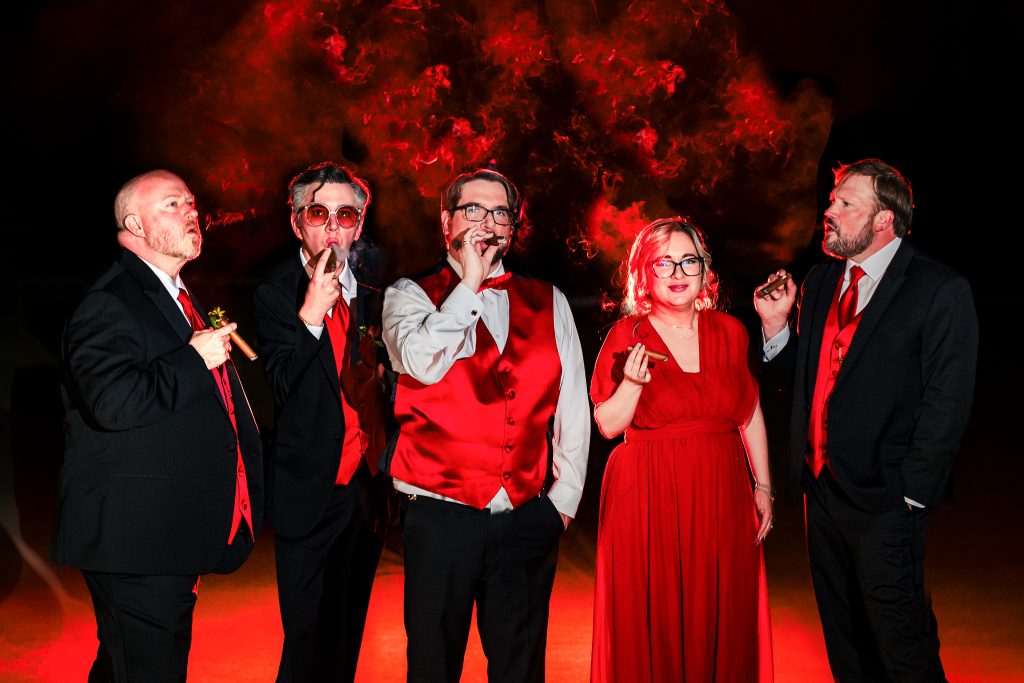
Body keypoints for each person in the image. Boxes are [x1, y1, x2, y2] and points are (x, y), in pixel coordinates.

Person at [754, 159, 978, 682]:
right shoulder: (821, 278)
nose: (828, 212)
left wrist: (912, 495)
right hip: (822, 493)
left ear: (883, 221)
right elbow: (804, 380)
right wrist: (776, 327)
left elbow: (948, 401)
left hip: (887, 499)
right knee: (845, 637)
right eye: (832, 200)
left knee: (902, 642)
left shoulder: (938, 289)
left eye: (844, 204)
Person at [52, 169, 263, 682]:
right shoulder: (111, 300)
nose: (192, 211)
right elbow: (113, 403)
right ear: (134, 224)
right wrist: (193, 359)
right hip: (135, 540)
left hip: (162, 536)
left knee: (130, 666)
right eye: (172, 204)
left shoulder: (174, 296)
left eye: (191, 202)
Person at [381, 168, 590, 683]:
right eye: (473, 209)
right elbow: (421, 362)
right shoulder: (408, 295)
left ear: (513, 226)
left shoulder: (551, 300)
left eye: (500, 212)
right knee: (433, 664)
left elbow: (572, 408)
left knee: (519, 668)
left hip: (524, 517)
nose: (486, 221)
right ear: (446, 221)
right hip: (440, 516)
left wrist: (562, 503)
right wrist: (469, 283)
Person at [589, 217, 775, 682]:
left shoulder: (731, 332)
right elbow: (608, 425)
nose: (677, 272)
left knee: (722, 611)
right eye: (663, 262)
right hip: (647, 493)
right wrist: (631, 384)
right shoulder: (625, 336)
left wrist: (764, 486)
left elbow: (749, 413)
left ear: (704, 271)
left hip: (722, 491)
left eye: (688, 260)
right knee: (654, 616)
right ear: (644, 274)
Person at [254, 161, 392, 683]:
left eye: (345, 214)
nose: (332, 226)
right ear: (296, 223)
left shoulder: (377, 296)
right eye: (318, 212)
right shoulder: (276, 293)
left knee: (345, 638)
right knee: (305, 641)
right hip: (310, 491)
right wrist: (311, 313)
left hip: (365, 494)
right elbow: (285, 386)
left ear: (359, 224)